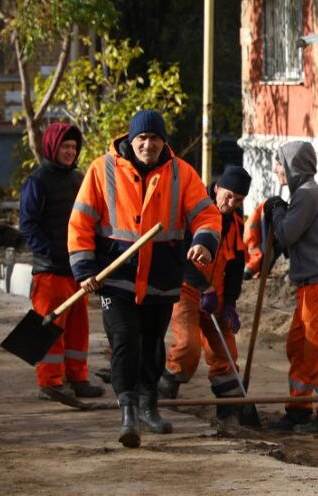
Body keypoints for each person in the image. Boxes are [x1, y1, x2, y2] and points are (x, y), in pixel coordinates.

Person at [69, 109, 222, 448]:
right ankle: (128, 412)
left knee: (153, 343)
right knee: (125, 340)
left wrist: (203, 243)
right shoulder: (102, 170)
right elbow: (80, 223)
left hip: (161, 276)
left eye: (154, 139)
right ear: (130, 139)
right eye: (142, 138)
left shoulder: (181, 173)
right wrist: (83, 270)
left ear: (163, 141)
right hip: (116, 277)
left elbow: (207, 215)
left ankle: (149, 404)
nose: (148, 145)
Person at [160, 165, 259, 426]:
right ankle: (161, 393)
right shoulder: (196, 214)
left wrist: (229, 303)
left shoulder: (237, 223)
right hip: (187, 290)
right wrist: (204, 288)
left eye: (238, 200)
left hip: (217, 296)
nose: (231, 203)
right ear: (216, 188)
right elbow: (181, 256)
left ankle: (230, 409)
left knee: (225, 353)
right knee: (187, 348)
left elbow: (236, 267)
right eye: (228, 195)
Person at [264, 141, 318, 435]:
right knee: (299, 347)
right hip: (309, 286)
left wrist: (276, 212)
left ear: (292, 166)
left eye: (279, 163)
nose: (276, 169)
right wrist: (280, 209)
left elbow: (286, 234)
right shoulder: (302, 196)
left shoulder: (310, 195)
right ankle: (297, 409)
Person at [21, 122, 105, 400]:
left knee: (79, 328)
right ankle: (49, 382)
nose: (70, 152)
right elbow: (29, 225)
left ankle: (78, 378)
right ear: (52, 147)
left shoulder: (79, 179)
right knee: (49, 328)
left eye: (73, 147)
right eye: (65, 147)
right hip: (49, 272)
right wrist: (51, 251)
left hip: (76, 270)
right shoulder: (37, 181)